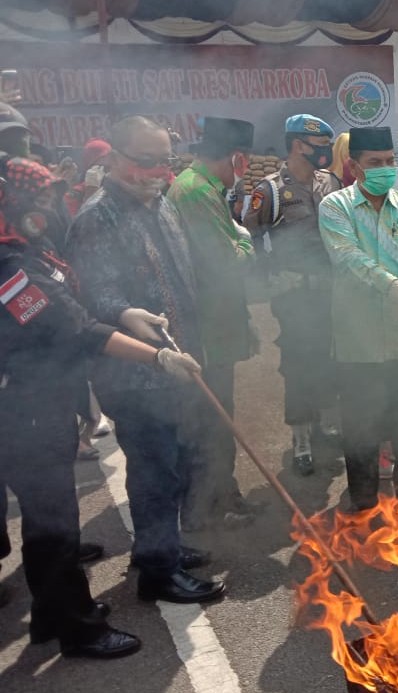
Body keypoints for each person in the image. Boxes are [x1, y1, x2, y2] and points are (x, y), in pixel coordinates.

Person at [0, 156, 199, 657]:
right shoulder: (11, 272)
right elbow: (77, 330)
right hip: (22, 410)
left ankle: (51, 613)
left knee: (52, 519)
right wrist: (157, 357)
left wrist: (127, 311)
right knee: (54, 523)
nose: (50, 205)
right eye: (41, 197)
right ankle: (77, 627)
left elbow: (80, 305)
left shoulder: (30, 251)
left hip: (43, 399)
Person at [66, 116, 225, 604]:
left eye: (166, 161)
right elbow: (97, 292)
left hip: (176, 362)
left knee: (175, 460)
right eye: (146, 160)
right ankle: (159, 571)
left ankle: (162, 547)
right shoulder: (98, 216)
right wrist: (126, 313)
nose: (158, 171)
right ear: (114, 159)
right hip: (134, 372)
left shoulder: (160, 203)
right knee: (155, 469)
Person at [317, 126, 398, 511]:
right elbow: (348, 256)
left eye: (390, 161)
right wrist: (391, 286)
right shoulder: (335, 207)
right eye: (376, 163)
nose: (386, 169)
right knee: (361, 434)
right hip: (360, 345)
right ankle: (364, 509)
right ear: (355, 167)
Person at [167, 117, 258, 530]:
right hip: (207, 326)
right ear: (236, 157)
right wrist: (244, 242)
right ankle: (207, 507)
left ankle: (221, 491)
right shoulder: (196, 192)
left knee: (219, 412)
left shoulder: (202, 187)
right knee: (212, 415)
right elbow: (225, 263)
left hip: (217, 322)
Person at [243, 114, 342, 476]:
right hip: (294, 297)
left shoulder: (329, 182)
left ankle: (328, 424)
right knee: (299, 364)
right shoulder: (268, 191)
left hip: (330, 291)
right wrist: (271, 277)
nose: (326, 153)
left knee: (330, 356)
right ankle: (301, 437)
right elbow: (250, 239)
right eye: (319, 146)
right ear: (299, 145)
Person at [64, 138, 110, 217]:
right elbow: (78, 225)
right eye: (102, 166)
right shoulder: (76, 194)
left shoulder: (119, 187)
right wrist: (91, 192)